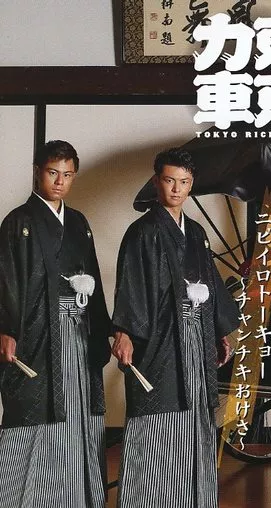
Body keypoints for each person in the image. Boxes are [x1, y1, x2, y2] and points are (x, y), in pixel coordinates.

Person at [112, 148, 238, 508]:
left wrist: (219, 331)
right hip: (162, 339)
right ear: (157, 182)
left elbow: (210, 284)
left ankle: (193, 499)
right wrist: (123, 333)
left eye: (184, 182)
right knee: (158, 412)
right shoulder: (141, 232)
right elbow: (130, 285)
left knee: (197, 413)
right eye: (169, 180)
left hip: (197, 335)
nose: (176, 189)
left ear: (191, 184)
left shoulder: (196, 232)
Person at [0, 140, 111, 507]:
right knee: (36, 406)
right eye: (53, 173)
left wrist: (103, 329)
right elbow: (6, 279)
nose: (60, 182)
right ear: (37, 172)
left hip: (78, 329)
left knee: (78, 408)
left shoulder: (78, 222)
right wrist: (7, 329)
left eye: (67, 175)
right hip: (37, 332)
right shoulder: (18, 222)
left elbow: (93, 277)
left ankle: (76, 496)